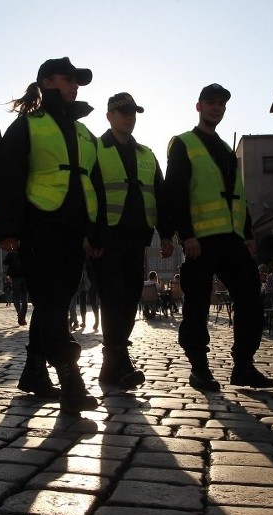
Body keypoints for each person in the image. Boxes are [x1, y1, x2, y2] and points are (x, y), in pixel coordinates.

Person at [0, 56, 105, 413]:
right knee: (53, 304)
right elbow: (8, 174)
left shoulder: (85, 132)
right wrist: (7, 229)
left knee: (53, 303)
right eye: (67, 78)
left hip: (74, 230)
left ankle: (33, 372)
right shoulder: (29, 124)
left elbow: (95, 183)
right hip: (39, 225)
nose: (74, 85)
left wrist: (96, 232)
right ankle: (71, 379)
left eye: (77, 80)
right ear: (46, 81)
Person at [164, 83, 273, 391]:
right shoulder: (184, 143)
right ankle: (199, 367)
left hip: (232, 239)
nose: (216, 108)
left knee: (251, 297)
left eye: (221, 104)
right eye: (210, 103)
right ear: (198, 106)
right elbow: (176, 192)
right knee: (197, 304)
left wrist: (249, 232)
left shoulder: (227, 150)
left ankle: (243, 365)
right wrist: (186, 234)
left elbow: (238, 194)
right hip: (200, 240)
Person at [92, 92, 171, 389]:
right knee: (113, 298)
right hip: (106, 237)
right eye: (123, 112)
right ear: (109, 115)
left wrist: (165, 234)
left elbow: (160, 196)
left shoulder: (146, 154)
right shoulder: (96, 149)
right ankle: (121, 362)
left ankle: (111, 366)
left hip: (137, 237)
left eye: (133, 113)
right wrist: (91, 234)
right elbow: (89, 193)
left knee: (129, 298)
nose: (129, 117)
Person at [3, 249, 28, 325]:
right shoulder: (26, 252)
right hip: (25, 276)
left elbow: (5, 262)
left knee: (16, 296)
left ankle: (19, 312)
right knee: (24, 297)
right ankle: (22, 317)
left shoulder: (11, 253)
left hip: (15, 277)